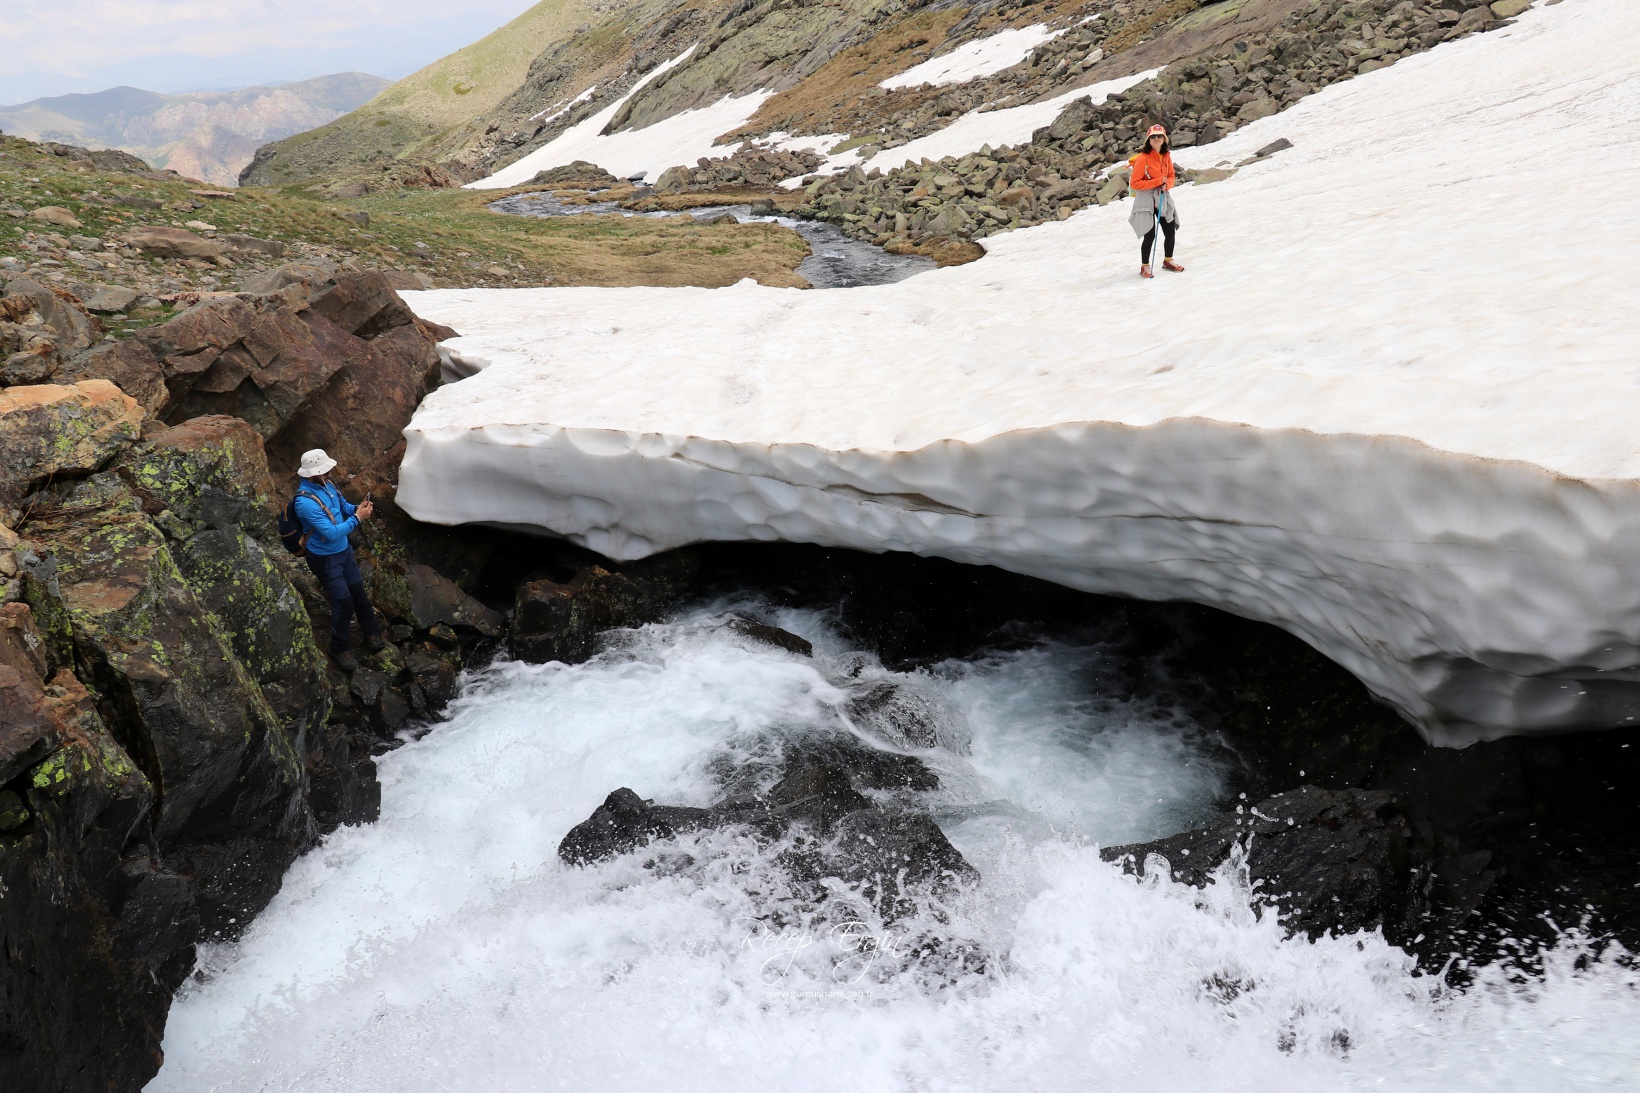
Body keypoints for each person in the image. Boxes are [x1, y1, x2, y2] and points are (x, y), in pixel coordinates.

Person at [293, 448, 384, 671]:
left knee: (358, 593)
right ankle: (339, 647)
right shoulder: (304, 503)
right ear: (311, 474)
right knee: (343, 603)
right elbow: (331, 532)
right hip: (324, 558)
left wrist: (357, 509)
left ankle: (372, 633)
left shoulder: (328, 486)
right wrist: (358, 519)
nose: (330, 475)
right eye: (325, 472)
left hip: (342, 551)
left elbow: (342, 508)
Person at [1128, 124, 1185, 279]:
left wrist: (1168, 184)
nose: (1156, 139)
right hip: (1145, 199)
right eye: (1153, 137)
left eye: (1159, 136)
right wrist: (1158, 181)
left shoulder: (1166, 155)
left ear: (1164, 138)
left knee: (1169, 230)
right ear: (1148, 140)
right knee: (1149, 234)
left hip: (1162, 196)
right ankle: (1145, 266)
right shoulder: (1143, 158)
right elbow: (1135, 184)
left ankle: (1168, 260)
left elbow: (1171, 175)